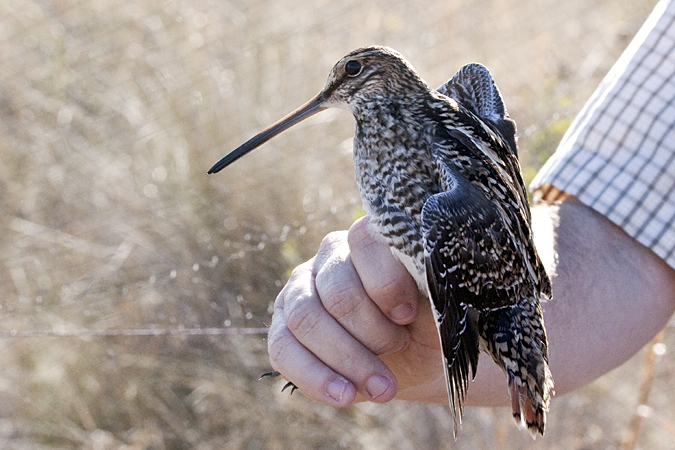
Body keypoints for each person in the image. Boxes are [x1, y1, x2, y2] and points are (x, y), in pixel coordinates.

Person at [266, 0, 675, 408]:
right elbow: (621, 232)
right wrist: (401, 353)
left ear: (385, 79)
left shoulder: (423, 133)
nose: (330, 93)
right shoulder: (408, 124)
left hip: (498, 296)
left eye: (351, 72)